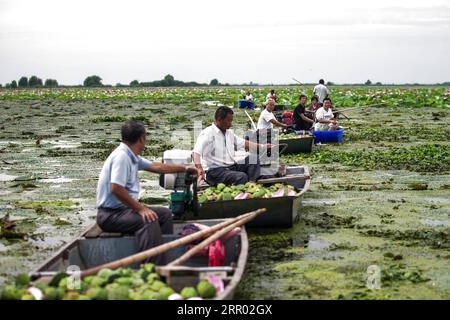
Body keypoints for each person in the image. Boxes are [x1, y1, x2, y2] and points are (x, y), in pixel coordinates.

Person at [96, 120, 198, 265]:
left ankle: (165, 253)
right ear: (141, 139)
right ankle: (152, 266)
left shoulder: (131, 156)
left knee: (165, 214)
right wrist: (141, 209)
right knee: (150, 219)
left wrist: (185, 168)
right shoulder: (122, 157)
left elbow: (157, 167)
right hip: (110, 215)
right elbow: (116, 188)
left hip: (122, 211)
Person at [193, 106, 272, 186]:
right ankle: (247, 189)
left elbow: (244, 143)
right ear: (219, 120)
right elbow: (196, 153)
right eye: (229, 121)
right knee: (241, 177)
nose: (231, 124)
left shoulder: (229, 133)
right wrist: (199, 168)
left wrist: (263, 146)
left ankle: (253, 184)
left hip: (231, 167)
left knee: (253, 159)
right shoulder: (207, 133)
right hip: (215, 172)